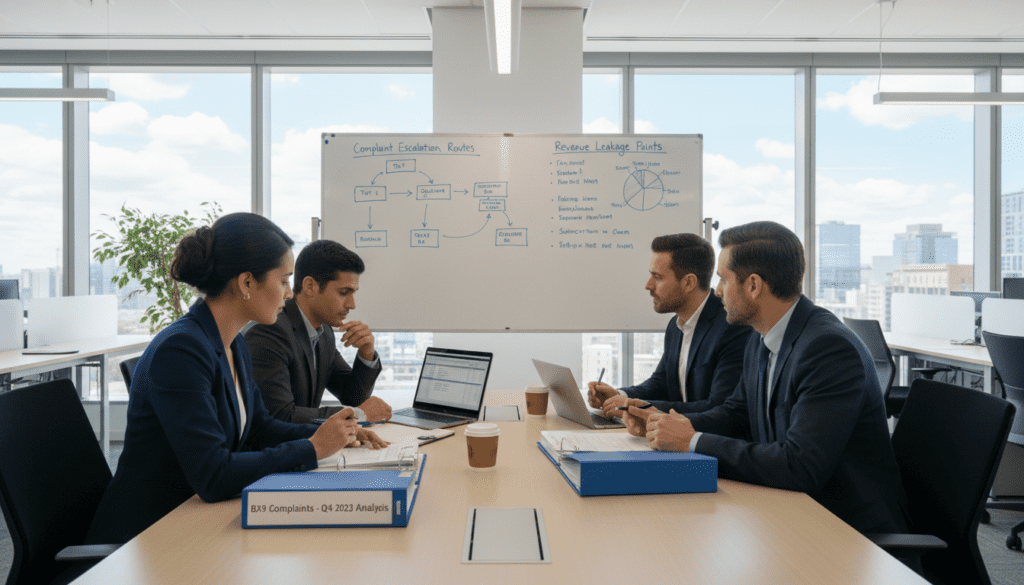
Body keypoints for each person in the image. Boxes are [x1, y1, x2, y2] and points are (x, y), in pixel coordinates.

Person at [86, 213, 385, 545]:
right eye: (284, 280)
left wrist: (334, 435)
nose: (289, 294)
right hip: (149, 537)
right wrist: (313, 447)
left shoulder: (233, 343)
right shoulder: (181, 350)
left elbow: (259, 427)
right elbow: (213, 474)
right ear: (246, 283)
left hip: (198, 519)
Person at [623, 221, 909, 535]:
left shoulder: (828, 349)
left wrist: (691, 441)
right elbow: (736, 413)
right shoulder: (762, 337)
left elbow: (801, 465)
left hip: (846, 530)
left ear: (754, 285)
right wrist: (662, 421)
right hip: (788, 512)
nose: (717, 291)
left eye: (723, 279)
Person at [587, 233, 751, 418]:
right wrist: (620, 396)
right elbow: (662, 383)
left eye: (657, 277)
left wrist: (634, 407)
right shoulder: (676, 325)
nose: (648, 285)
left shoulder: (732, 327)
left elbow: (719, 407)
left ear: (688, 282)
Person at [245, 239, 391, 424]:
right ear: (310, 286)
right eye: (344, 292)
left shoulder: (324, 333)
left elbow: (353, 397)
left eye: (354, 293)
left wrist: (366, 353)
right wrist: (358, 415)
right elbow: (281, 416)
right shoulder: (270, 333)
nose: (352, 305)